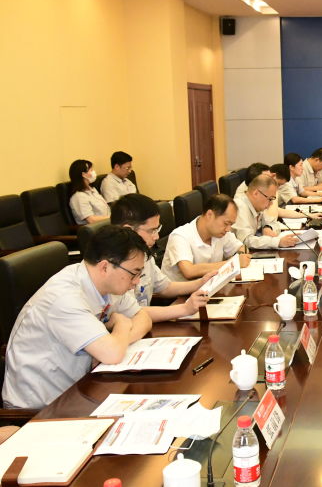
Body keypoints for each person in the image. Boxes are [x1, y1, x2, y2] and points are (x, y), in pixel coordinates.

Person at [3, 225, 153, 409]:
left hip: (81, 388)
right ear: (105, 267)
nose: (137, 281)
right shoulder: (64, 297)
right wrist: (122, 324)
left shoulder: (104, 282)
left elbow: (143, 318)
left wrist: (118, 341)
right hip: (41, 408)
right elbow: (112, 354)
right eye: (134, 273)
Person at [111, 194, 213, 321]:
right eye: (151, 230)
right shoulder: (114, 266)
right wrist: (185, 309)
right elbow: (132, 312)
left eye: (157, 229)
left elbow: (165, 287)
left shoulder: (145, 255)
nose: (157, 237)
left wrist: (201, 282)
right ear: (128, 230)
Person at [161, 194, 250, 281]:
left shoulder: (221, 232)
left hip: (210, 287)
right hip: (183, 290)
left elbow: (241, 247)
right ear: (209, 215)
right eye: (226, 223)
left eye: (231, 224)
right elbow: (189, 271)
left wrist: (240, 255)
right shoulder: (180, 236)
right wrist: (233, 263)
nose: (228, 229)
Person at [233, 175, 300, 249]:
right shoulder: (239, 207)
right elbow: (246, 241)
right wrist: (277, 242)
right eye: (270, 199)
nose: (271, 203)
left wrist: (267, 227)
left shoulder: (257, 205)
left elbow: (272, 222)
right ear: (256, 193)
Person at [68, 159, 110, 225]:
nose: (94, 172)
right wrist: (112, 218)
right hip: (98, 228)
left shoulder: (92, 190)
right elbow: (91, 220)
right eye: (91, 170)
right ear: (84, 174)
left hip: (109, 224)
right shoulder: (78, 197)